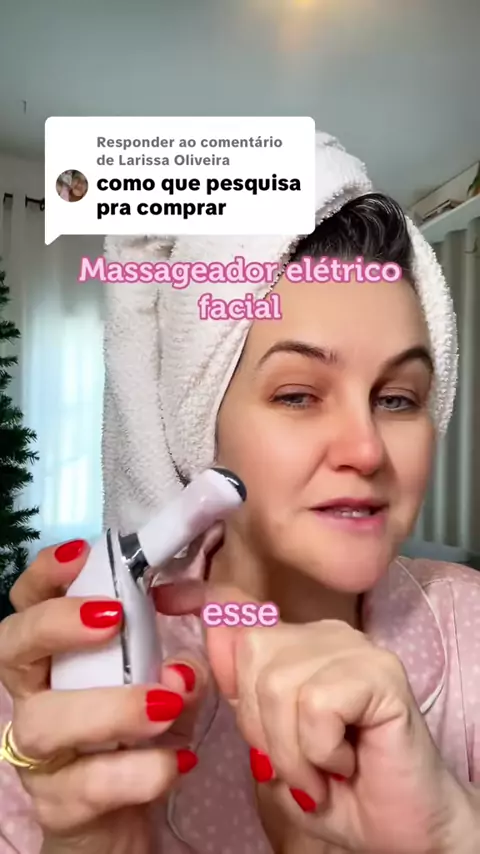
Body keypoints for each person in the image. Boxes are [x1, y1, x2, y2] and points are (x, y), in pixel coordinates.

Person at [1, 133, 480, 854]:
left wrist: (453, 834)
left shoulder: (471, 627)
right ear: (203, 431)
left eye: (398, 399)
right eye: (297, 395)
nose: (366, 450)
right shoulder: (69, 690)